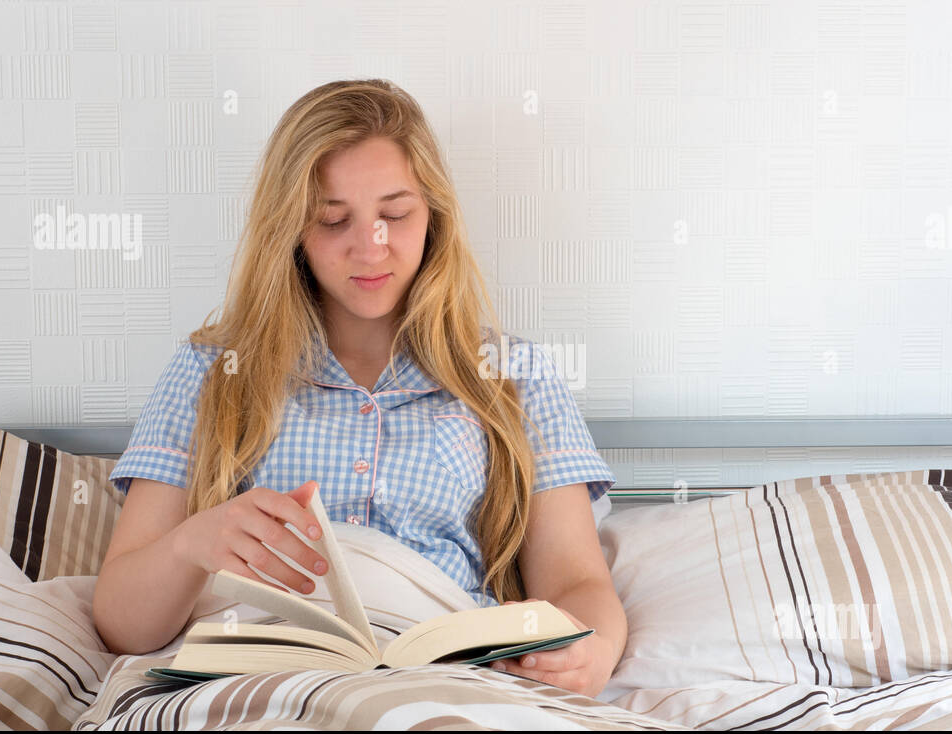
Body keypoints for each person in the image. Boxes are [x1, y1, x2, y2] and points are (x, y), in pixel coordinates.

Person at [92, 79, 626, 698]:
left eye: (395, 215)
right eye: (332, 220)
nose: (370, 246)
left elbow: (577, 585)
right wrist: (192, 544)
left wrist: (595, 648)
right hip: (262, 682)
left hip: (440, 679)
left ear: (434, 216)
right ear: (291, 230)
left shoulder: (513, 376)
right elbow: (121, 622)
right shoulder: (212, 370)